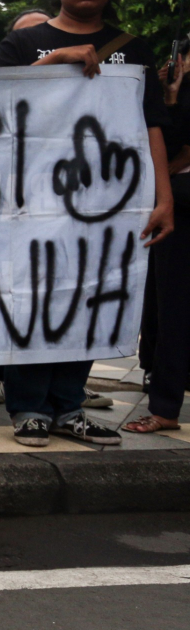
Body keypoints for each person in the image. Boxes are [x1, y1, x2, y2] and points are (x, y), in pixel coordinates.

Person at [0, 0, 175, 447]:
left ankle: (70, 404)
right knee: (34, 297)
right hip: (33, 202)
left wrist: (163, 198)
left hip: (109, 202)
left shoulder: (134, 49)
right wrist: (50, 64)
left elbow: (151, 126)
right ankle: (27, 405)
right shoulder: (23, 43)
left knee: (91, 296)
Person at [0, 6, 112, 412]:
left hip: (78, 199)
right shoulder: (21, 54)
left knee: (76, 296)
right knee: (25, 298)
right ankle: (24, 394)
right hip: (22, 201)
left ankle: (66, 396)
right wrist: (52, 62)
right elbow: (0, 100)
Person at [126, 36, 190, 434]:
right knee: (172, 307)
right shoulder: (179, 85)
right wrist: (169, 96)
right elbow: (167, 145)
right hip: (181, 205)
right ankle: (165, 403)